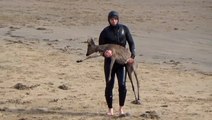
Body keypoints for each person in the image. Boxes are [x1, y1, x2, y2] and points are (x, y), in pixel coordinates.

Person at [99, 11, 136, 116]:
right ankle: (110, 109)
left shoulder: (124, 29)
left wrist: (132, 57)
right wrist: (104, 53)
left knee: (122, 85)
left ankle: (121, 108)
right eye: (111, 19)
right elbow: (100, 48)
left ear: (118, 19)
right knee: (109, 85)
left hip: (121, 63)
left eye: (115, 19)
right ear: (109, 20)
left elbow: (132, 43)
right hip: (109, 63)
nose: (113, 21)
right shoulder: (105, 32)